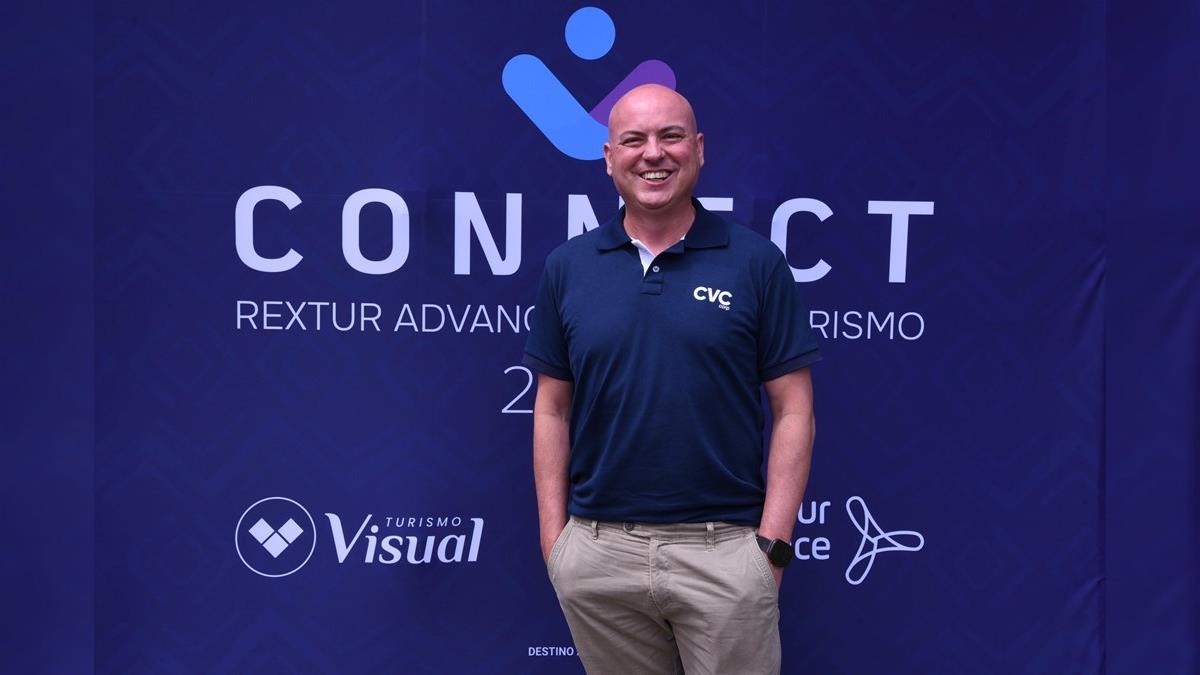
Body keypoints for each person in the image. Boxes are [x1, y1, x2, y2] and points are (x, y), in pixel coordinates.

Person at [523, 84, 820, 675]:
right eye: (634, 139)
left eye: (671, 136)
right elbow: (551, 408)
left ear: (699, 149)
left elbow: (794, 410)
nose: (653, 153)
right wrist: (557, 544)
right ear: (609, 157)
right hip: (600, 554)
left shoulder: (755, 263)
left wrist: (771, 550)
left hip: (724, 553)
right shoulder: (568, 267)